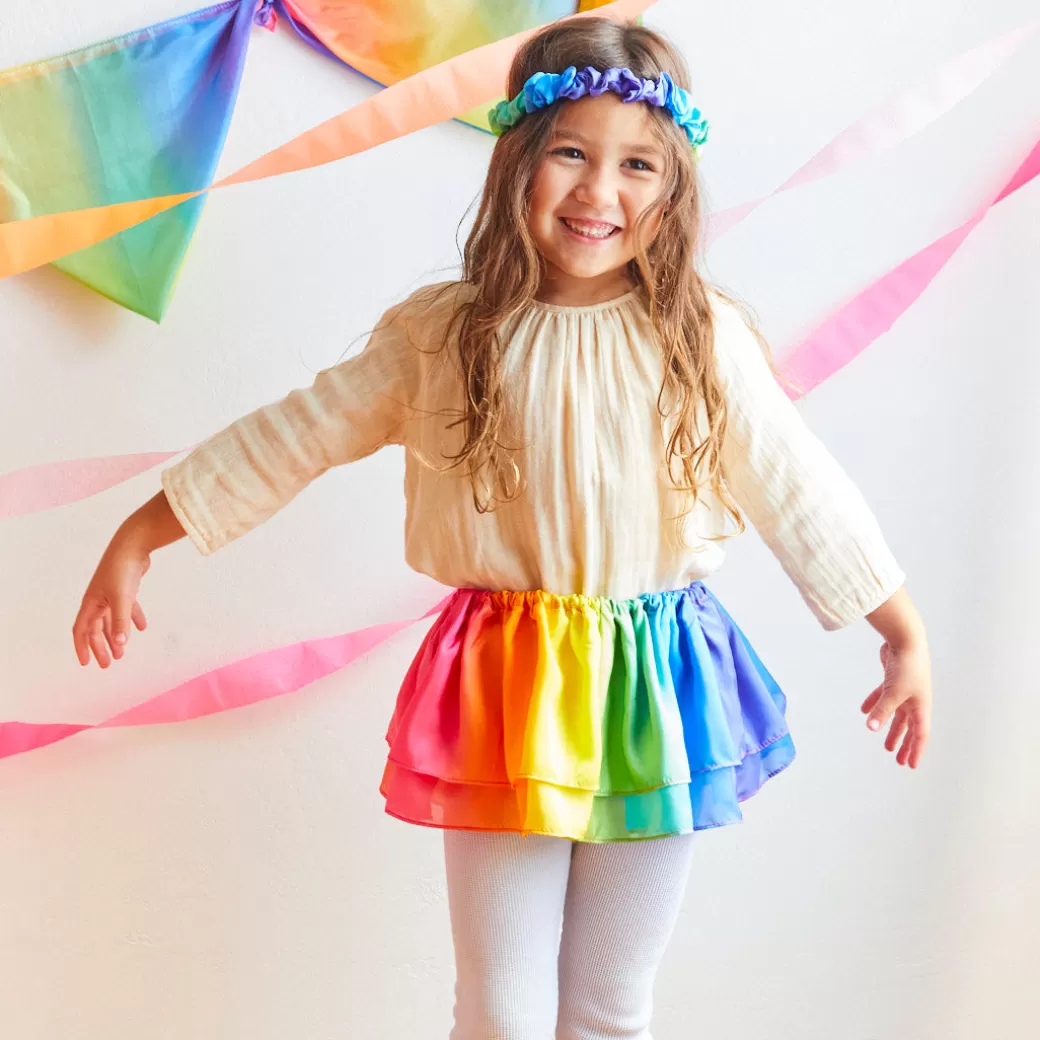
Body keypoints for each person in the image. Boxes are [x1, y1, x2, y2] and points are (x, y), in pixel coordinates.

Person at [72, 15, 933, 1040]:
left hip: (658, 686)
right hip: (505, 684)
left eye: (636, 164)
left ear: (673, 188)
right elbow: (297, 433)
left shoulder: (700, 337)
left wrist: (899, 628)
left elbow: (798, 484)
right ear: (517, 158)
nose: (598, 191)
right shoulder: (443, 334)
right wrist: (142, 532)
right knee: (501, 1009)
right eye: (570, 152)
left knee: (610, 1004)